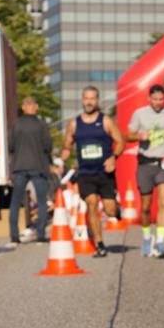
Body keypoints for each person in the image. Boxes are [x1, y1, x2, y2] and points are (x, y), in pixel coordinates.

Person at [62, 85, 124, 257]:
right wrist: (64, 155)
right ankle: (100, 244)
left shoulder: (105, 121)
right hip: (85, 173)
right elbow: (67, 145)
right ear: (82, 100)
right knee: (92, 204)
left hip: (104, 173)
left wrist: (113, 157)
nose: (89, 102)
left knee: (110, 210)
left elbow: (120, 141)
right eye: (86, 98)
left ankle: (117, 211)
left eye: (92, 98)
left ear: (97, 101)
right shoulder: (75, 124)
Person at [127, 85, 164, 258]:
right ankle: (147, 237)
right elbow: (128, 134)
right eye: (154, 99)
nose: (158, 103)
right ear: (149, 98)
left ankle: (160, 241)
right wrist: (139, 136)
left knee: (163, 202)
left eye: (160, 100)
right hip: (145, 162)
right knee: (146, 207)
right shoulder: (140, 114)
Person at [8, 95, 53, 248]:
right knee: (41, 202)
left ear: (23, 107)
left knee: (15, 202)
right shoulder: (42, 125)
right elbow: (48, 146)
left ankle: (14, 236)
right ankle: (40, 235)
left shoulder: (16, 124)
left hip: (20, 166)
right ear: (36, 107)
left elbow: (11, 146)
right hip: (38, 166)